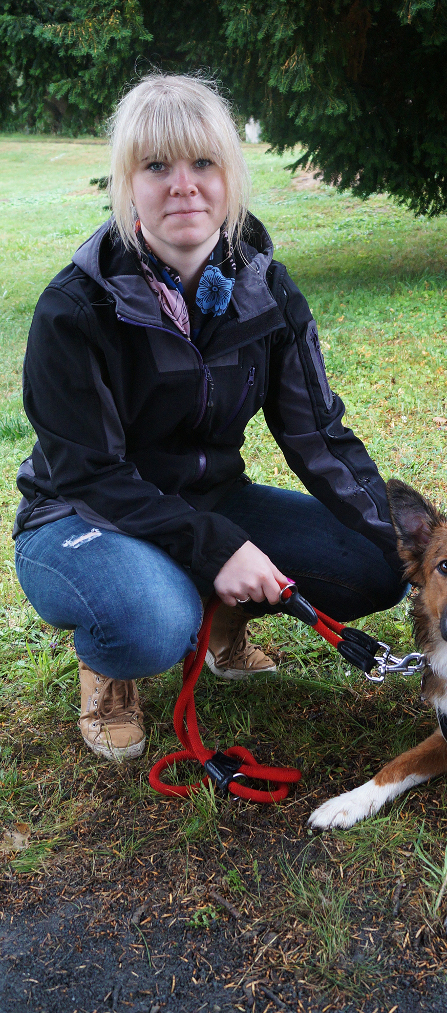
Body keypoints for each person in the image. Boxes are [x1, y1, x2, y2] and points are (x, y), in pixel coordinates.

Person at [13, 74, 405, 762]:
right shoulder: (75, 309)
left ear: (230, 177)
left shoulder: (268, 291)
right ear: (126, 183)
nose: (183, 186)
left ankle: (220, 621)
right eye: (156, 166)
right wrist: (217, 547)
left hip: (212, 500)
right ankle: (114, 666)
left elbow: (317, 435)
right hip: (78, 518)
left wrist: (420, 542)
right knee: (151, 620)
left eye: (203, 163)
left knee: (378, 562)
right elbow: (91, 474)